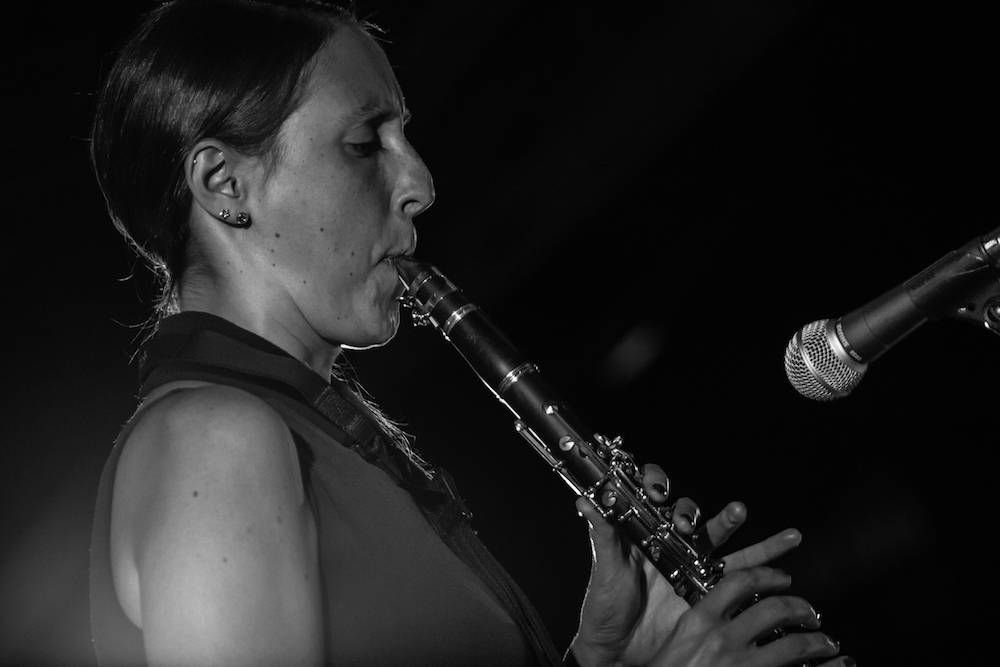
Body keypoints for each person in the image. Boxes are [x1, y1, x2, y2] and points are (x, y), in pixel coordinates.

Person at [89, 1, 854, 665]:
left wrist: (602, 659)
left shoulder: (303, 431)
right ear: (226, 186)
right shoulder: (215, 438)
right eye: (365, 143)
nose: (419, 183)